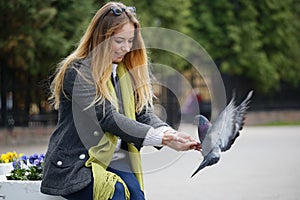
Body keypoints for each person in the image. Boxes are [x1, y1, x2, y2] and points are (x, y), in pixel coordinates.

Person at [40, 2, 201, 200]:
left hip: (115, 159)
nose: (126, 48)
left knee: (136, 195)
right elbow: (107, 117)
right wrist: (162, 139)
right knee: (114, 192)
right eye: (119, 41)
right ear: (101, 38)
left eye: (130, 41)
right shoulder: (78, 71)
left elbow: (143, 113)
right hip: (77, 164)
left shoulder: (127, 71)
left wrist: (170, 134)